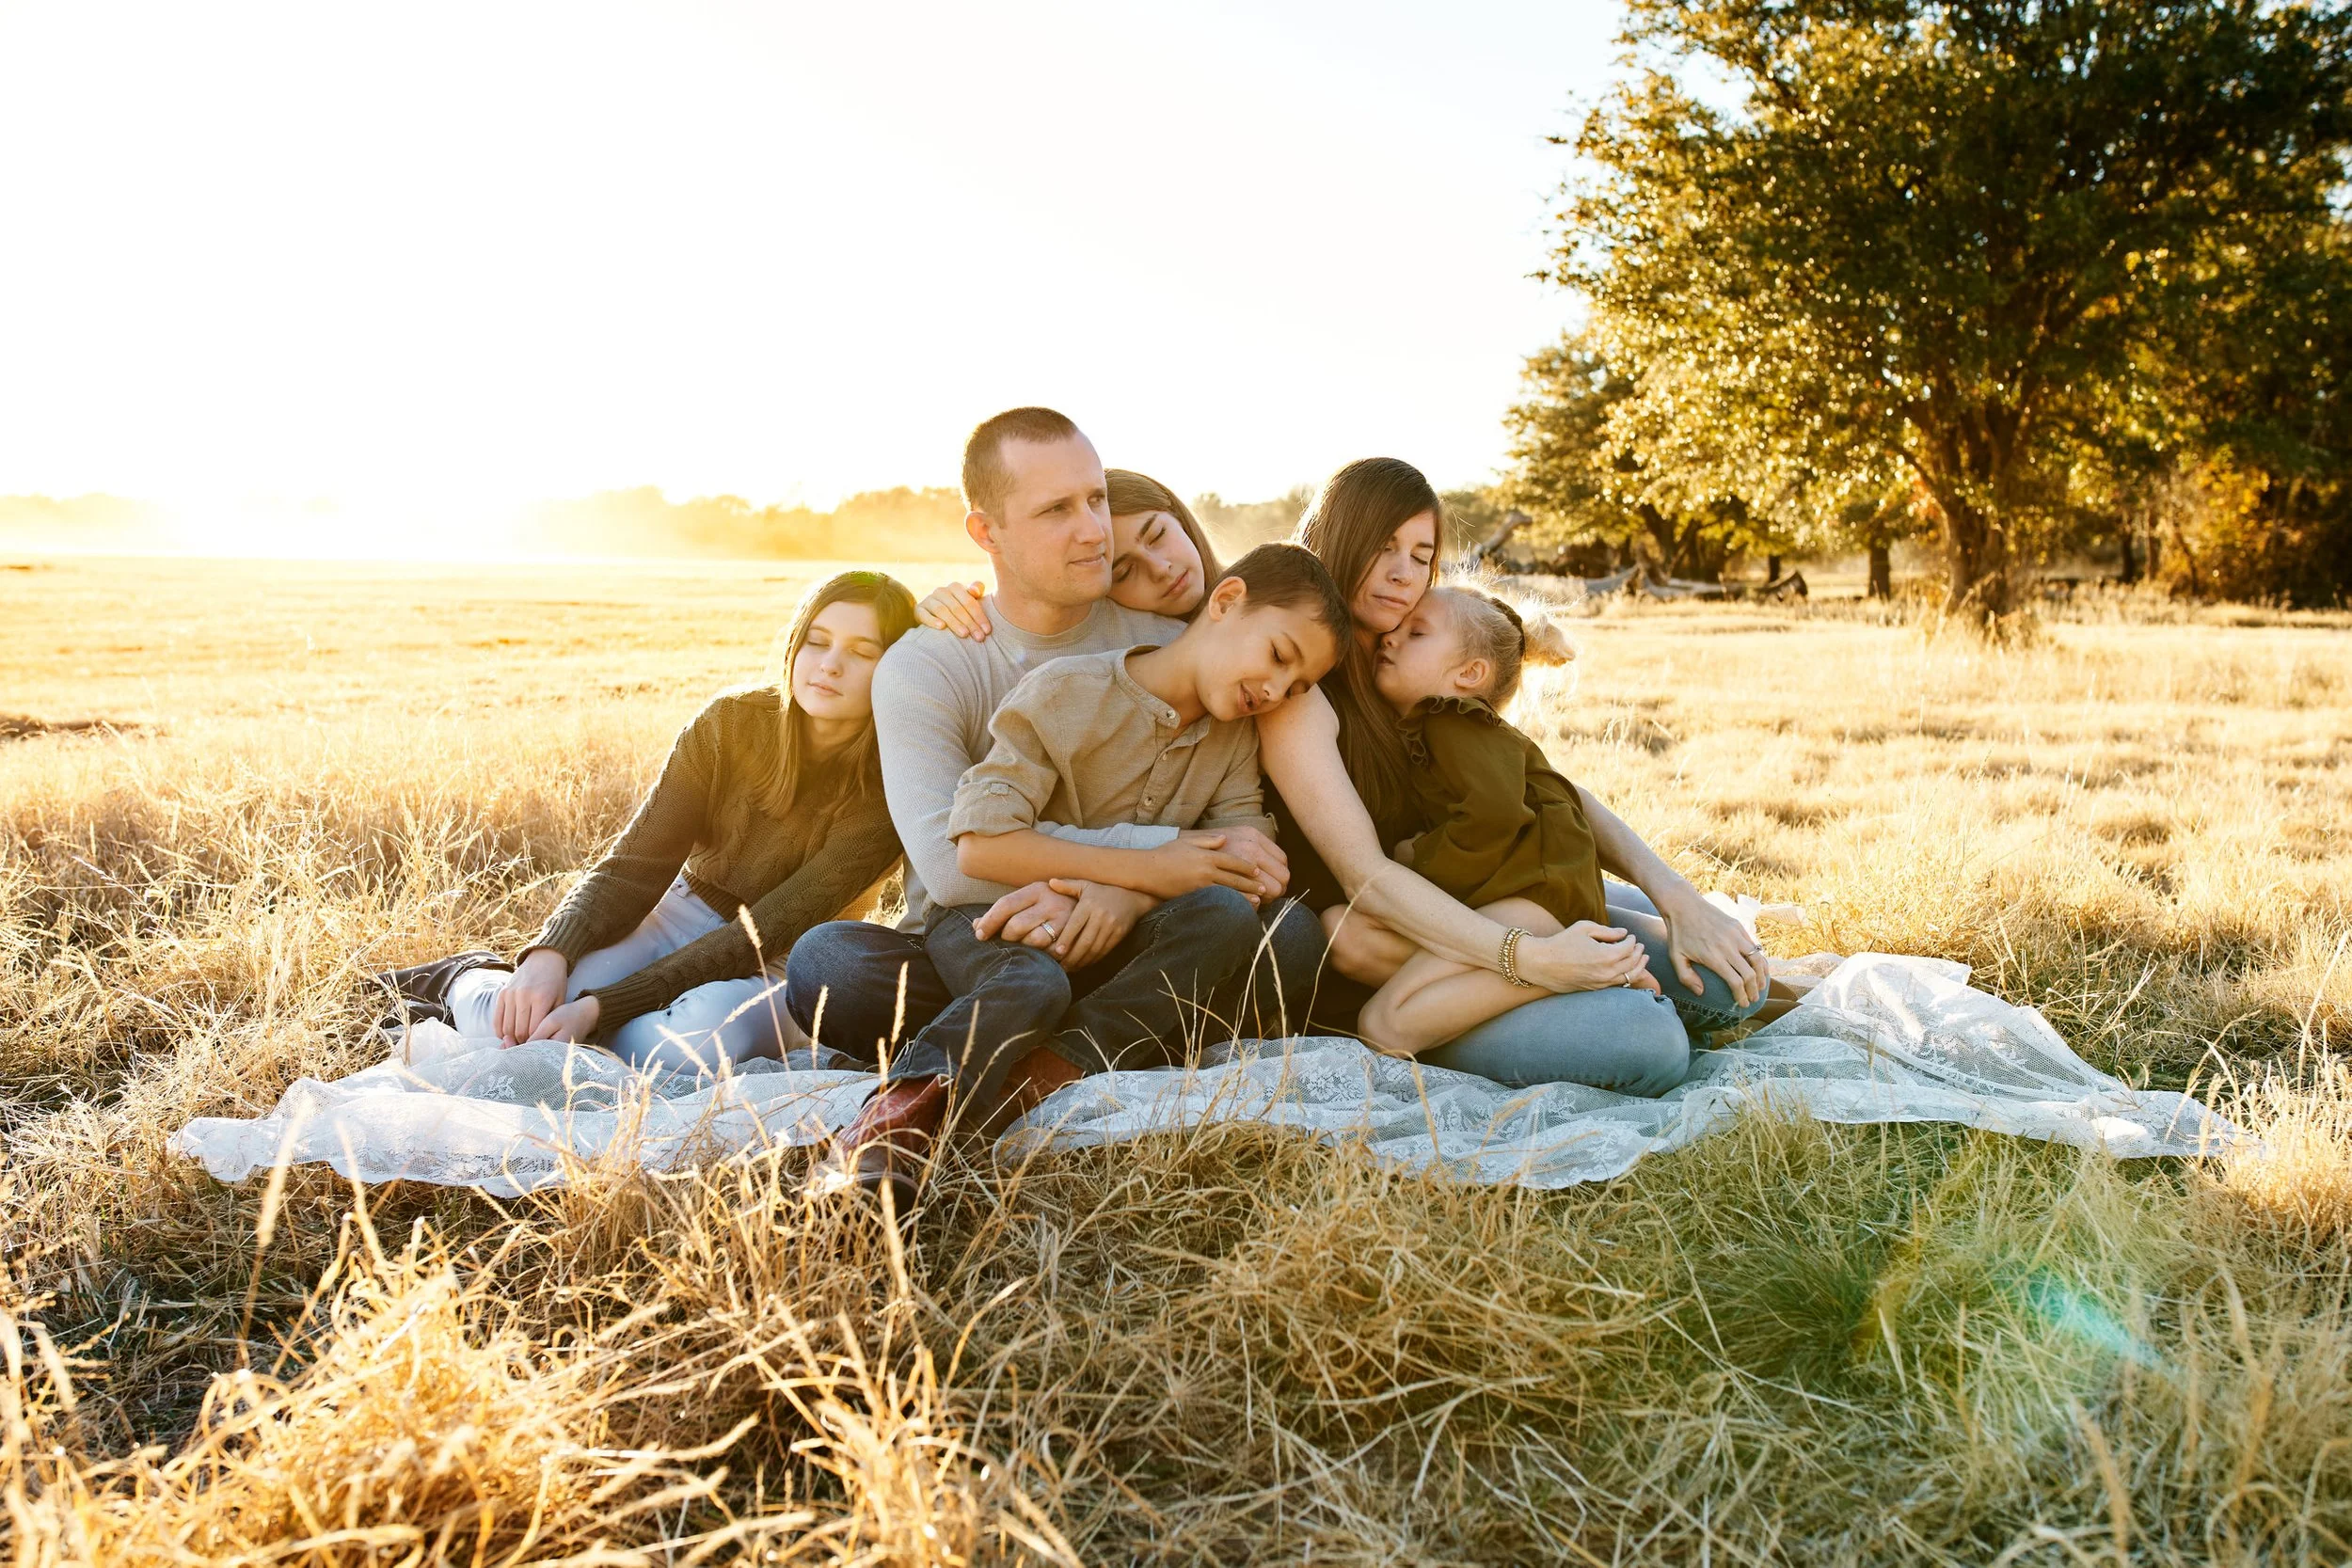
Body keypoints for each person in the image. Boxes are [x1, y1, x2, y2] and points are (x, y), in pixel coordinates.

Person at [784, 410, 1326, 1199]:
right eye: (1055, 511)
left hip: (1139, 929)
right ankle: (1057, 1047)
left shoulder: (1163, 638)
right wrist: (1140, 863)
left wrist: (1127, 887)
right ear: (986, 531)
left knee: (1290, 937)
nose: (1094, 531)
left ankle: (1027, 1061)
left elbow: (1234, 837)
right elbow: (948, 860)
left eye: (1097, 500)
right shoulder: (932, 662)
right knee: (829, 965)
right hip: (983, 929)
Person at [1260, 458, 1772, 1095]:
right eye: (1383, 545)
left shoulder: (1414, 668)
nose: (1402, 572)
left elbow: (1549, 793)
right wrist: (1539, 960)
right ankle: (1584, 993)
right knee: (1652, 1043)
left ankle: (1600, 974)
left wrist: (1679, 898)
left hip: (1483, 919)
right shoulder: (1303, 692)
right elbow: (1367, 881)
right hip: (1391, 958)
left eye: (1421, 555)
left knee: (1732, 982)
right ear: (1340, 538)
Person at [422, 571, 917, 1073]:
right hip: (678, 910)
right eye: (817, 641)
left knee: (687, 1048)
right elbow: (635, 864)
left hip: (784, 960)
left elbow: (758, 934)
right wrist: (550, 953)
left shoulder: (889, 782)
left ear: (896, 666)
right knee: (516, 1019)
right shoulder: (730, 723)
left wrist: (601, 1007)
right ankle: (463, 976)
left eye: (862, 652)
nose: (830, 665)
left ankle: (600, 1033)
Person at [1338, 583, 1687, 1053]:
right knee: (1366, 970)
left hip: (1537, 896)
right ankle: (1580, 973)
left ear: (1469, 673)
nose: (1389, 639)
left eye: (1416, 634)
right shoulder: (1457, 728)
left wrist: (1417, 858)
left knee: (1384, 1024)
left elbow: (1494, 817)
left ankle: (1590, 974)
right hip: (1543, 891)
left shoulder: (1452, 719)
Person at [914, 468, 1218, 638]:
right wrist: (943, 609)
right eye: (1124, 572)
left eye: (1158, 535)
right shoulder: (1114, 658)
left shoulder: (1260, 592)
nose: (1160, 568)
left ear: (1178, 516)